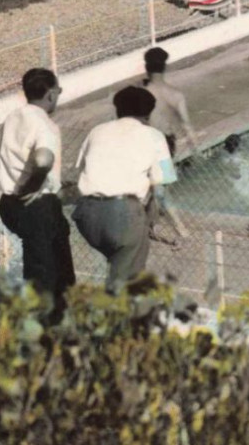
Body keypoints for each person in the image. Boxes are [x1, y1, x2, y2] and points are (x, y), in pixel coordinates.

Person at [69, 86, 171, 294]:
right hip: (122, 216)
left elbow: (82, 170)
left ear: (117, 110)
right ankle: (117, 320)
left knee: (117, 264)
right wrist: (153, 221)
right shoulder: (155, 136)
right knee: (126, 285)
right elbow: (161, 185)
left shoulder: (97, 130)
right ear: (148, 114)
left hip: (86, 215)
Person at [0, 68, 75, 318]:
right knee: (48, 275)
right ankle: (45, 331)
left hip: (9, 202)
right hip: (36, 205)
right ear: (50, 94)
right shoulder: (45, 125)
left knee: (47, 264)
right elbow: (43, 160)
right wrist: (32, 186)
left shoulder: (13, 117)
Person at [142, 48, 195, 246]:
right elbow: (186, 124)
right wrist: (194, 144)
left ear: (146, 67)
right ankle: (177, 226)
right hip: (165, 144)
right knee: (159, 185)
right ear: (165, 67)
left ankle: (152, 224)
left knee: (156, 185)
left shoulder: (142, 93)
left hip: (145, 142)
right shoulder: (175, 94)